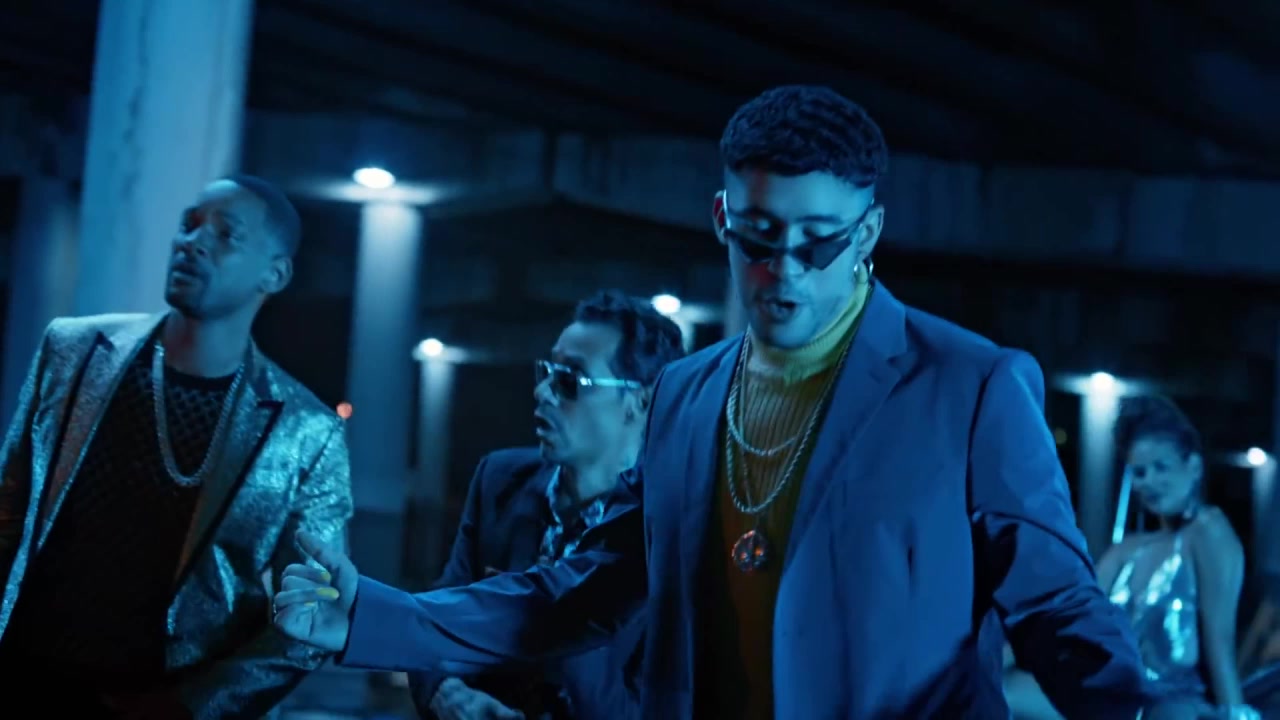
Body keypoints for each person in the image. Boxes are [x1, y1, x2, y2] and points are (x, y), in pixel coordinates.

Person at [273, 86, 1195, 718]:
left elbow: (1057, 607)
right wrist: (372, 617)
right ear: (723, 218)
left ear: (869, 231)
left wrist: (1141, 711)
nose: (784, 270)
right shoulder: (684, 392)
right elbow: (584, 589)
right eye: (758, 237)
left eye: (818, 241)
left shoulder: (971, 384)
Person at [0, 175, 353, 718]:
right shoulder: (74, 349)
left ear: (275, 274)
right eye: (189, 225)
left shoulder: (308, 431)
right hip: (23, 674)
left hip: (161, 697)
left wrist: (193, 707)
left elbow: (310, 616)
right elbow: (9, 510)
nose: (192, 242)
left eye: (225, 234)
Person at [413, 290, 683, 720]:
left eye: (571, 378)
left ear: (641, 402)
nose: (543, 392)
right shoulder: (500, 482)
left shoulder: (672, 529)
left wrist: (550, 613)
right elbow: (433, 621)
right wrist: (449, 694)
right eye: (547, 371)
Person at [1005, 396, 1258, 720]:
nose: (1148, 481)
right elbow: (1069, 615)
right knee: (997, 686)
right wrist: (997, 655)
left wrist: (1235, 712)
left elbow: (1219, 640)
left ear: (1194, 467)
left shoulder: (1207, 532)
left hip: (1171, 701)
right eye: (1139, 472)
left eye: (1161, 467)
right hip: (1110, 693)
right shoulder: (1126, 550)